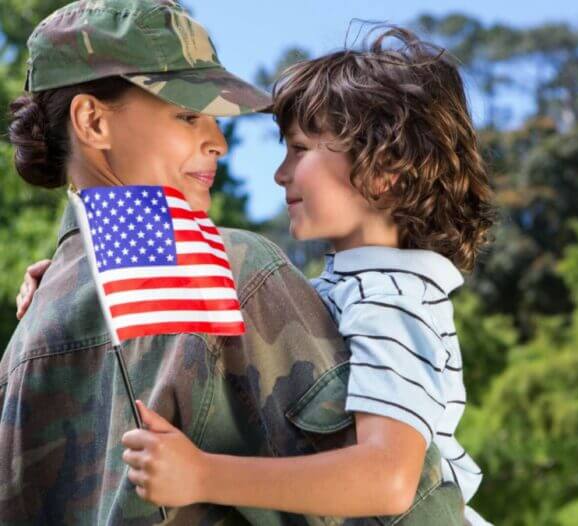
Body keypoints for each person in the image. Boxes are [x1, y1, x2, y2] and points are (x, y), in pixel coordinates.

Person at [1, 2, 463, 525]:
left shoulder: (28, 338)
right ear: (92, 121)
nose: (218, 142)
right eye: (187, 113)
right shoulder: (233, 270)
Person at [117, 27, 496, 525]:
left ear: (384, 169)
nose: (280, 173)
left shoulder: (393, 302)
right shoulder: (356, 289)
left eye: (300, 149)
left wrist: (204, 475)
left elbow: (390, 478)